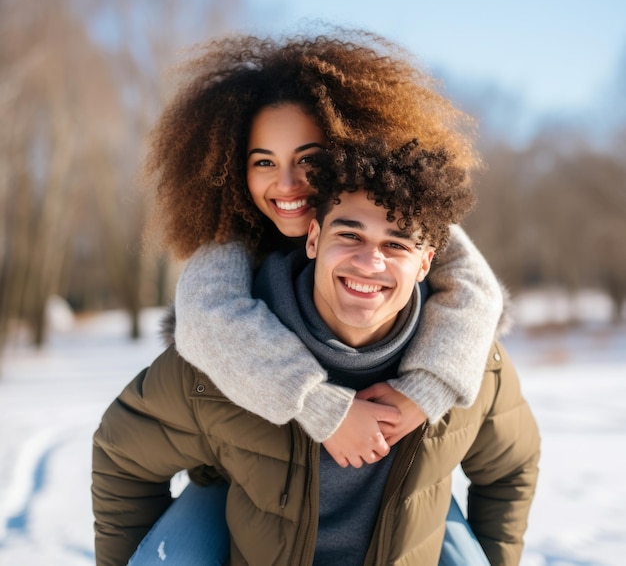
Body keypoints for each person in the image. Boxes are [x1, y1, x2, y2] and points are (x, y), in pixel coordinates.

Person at [92, 137, 540, 566]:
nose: (370, 263)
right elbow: (122, 455)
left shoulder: (466, 362)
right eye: (349, 235)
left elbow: (512, 467)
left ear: (426, 262)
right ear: (312, 238)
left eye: (397, 244)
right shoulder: (222, 357)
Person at [143, 29, 505, 467]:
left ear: (346, 149)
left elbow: (475, 288)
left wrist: (424, 391)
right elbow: (207, 316)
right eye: (264, 162)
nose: (287, 183)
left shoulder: (396, 216)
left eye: (309, 158)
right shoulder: (234, 235)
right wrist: (320, 406)